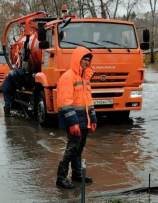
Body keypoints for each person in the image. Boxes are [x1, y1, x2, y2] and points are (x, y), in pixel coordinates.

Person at [56, 47, 97, 189]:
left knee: (79, 149)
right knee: (72, 148)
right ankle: (61, 177)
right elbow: (65, 102)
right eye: (84, 60)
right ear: (77, 60)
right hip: (74, 120)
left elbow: (88, 101)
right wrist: (73, 123)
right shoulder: (68, 77)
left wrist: (93, 119)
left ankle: (77, 174)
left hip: (84, 120)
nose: (86, 63)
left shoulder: (85, 78)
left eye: (88, 60)